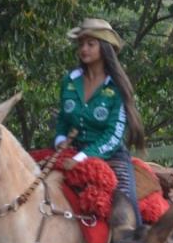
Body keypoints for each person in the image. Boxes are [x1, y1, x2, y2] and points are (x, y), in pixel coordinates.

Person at [55, 18, 145, 224]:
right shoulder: (69, 81)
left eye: (91, 44)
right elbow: (62, 119)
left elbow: (113, 135)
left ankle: (138, 241)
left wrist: (81, 158)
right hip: (71, 151)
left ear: (104, 48)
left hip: (110, 155)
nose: (84, 49)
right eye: (81, 44)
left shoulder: (117, 87)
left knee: (126, 210)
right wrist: (60, 139)